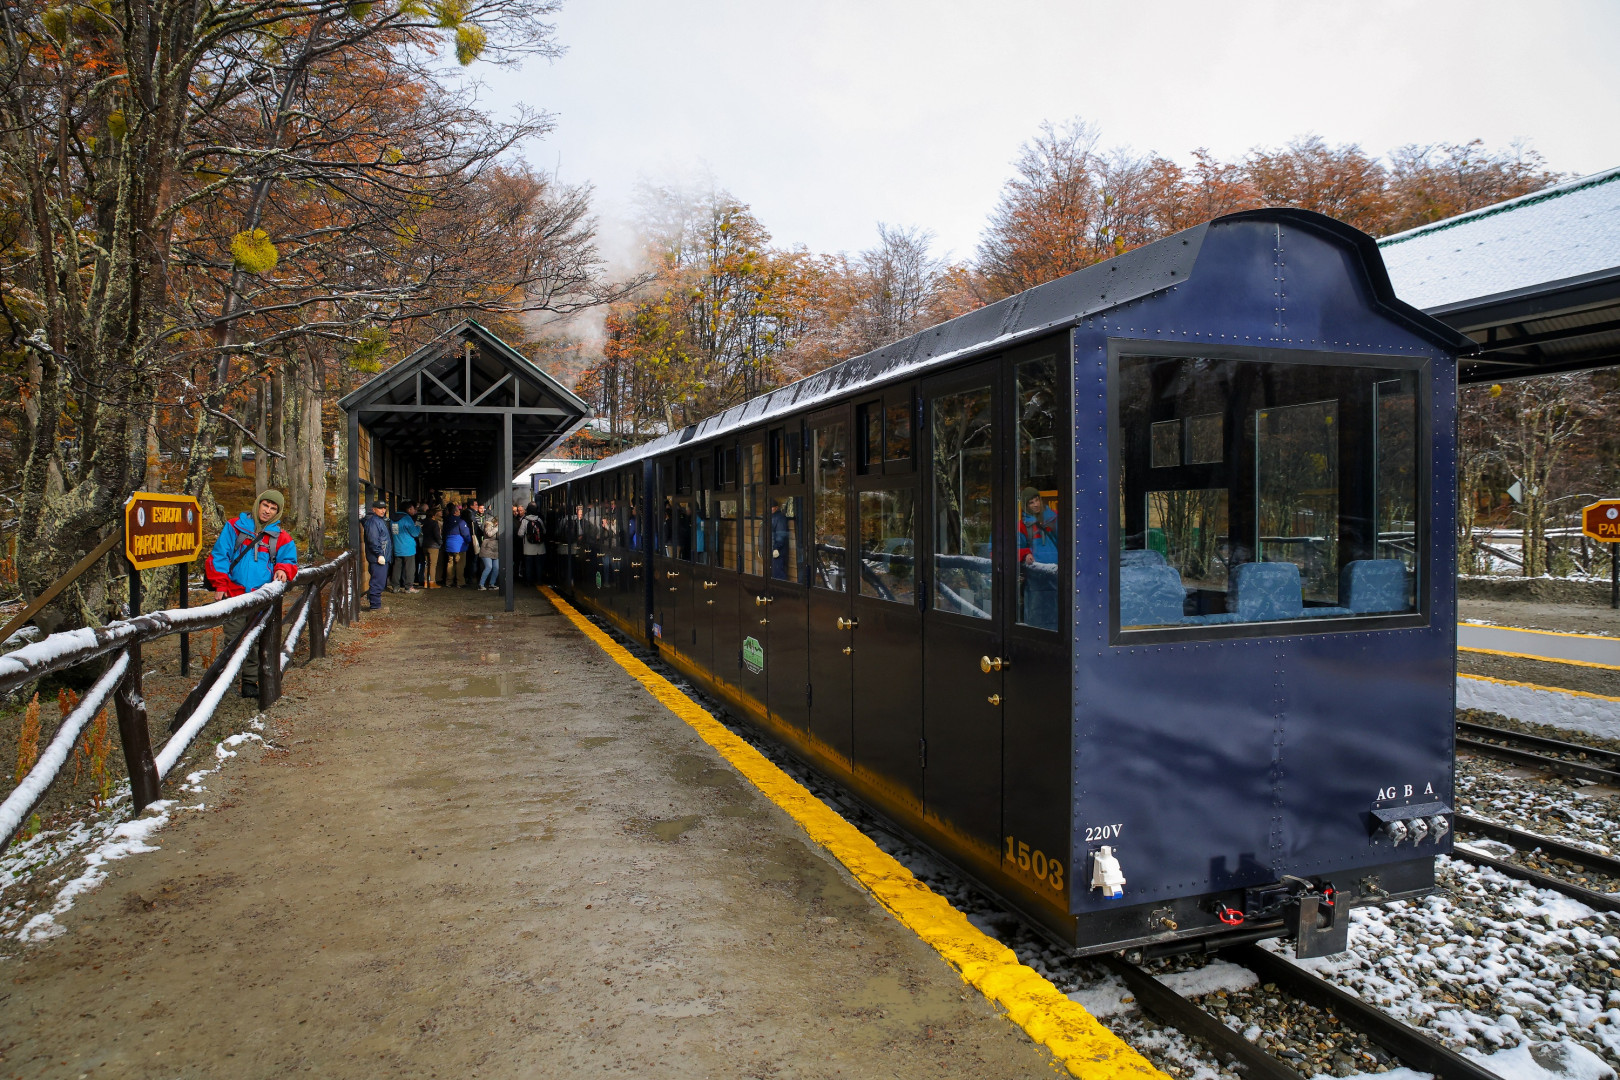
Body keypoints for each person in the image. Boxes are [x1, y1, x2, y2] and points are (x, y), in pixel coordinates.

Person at [205, 489, 298, 697]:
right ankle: (226, 681)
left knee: (256, 639)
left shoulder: (281, 537)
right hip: (234, 594)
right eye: (266, 505)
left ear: (278, 512)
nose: (268, 511)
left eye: (274, 508)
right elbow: (219, 556)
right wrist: (220, 585)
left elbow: (290, 560)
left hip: (261, 597)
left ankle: (249, 683)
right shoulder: (234, 527)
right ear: (258, 504)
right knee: (234, 639)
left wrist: (282, 569)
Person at [1017, 487, 1060, 630]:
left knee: (1057, 608)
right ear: (1025, 506)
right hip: (1036, 574)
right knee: (1037, 610)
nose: (1036, 504)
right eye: (1031, 502)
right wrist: (1025, 554)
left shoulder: (1054, 517)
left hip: (1057, 571)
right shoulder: (1022, 525)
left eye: (1037, 500)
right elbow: (1016, 546)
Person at [361, 499, 392, 611]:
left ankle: (375, 603)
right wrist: (379, 554)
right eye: (380, 508)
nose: (383, 510)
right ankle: (375, 606)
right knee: (377, 582)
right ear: (374, 509)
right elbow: (373, 540)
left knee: (379, 580)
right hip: (378, 557)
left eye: (384, 508)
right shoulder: (374, 522)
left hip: (381, 556)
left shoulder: (378, 520)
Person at [390, 502, 421, 593]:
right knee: (410, 568)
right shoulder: (407, 519)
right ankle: (409, 587)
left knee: (397, 567)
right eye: (412, 509)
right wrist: (418, 527)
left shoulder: (393, 518)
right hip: (408, 547)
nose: (413, 510)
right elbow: (414, 533)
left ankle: (395, 587)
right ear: (408, 509)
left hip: (397, 545)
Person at [443, 503, 472, 588]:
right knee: (460, 564)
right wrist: (468, 541)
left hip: (449, 545)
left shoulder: (446, 521)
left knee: (450, 563)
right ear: (455, 512)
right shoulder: (461, 522)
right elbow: (466, 534)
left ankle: (449, 582)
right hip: (459, 546)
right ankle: (460, 582)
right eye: (458, 510)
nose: (460, 511)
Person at [521, 503, 546, 586]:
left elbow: (520, 533)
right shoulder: (539, 520)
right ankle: (539, 581)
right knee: (539, 565)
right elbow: (544, 531)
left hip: (528, 548)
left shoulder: (525, 520)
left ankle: (529, 582)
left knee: (529, 566)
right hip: (540, 548)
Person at [421, 506, 443, 589]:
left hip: (425, 545)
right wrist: (440, 543)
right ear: (433, 515)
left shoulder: (425, 522)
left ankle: (425, 582)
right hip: (433, 546)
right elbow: (437, 535)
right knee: (433, 565)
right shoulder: (434, 523)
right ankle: (432, 582)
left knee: (427, 564)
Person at [478, 518, 500, 590]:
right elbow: (489, 534)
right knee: (488, 567)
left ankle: (492, 584)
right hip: (486, 549)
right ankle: (481, 584)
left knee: (496, 568)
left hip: (495, 550)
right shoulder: (488, 524)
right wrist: (497, 528)